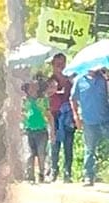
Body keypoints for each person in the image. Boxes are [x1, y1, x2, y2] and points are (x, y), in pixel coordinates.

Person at [71, 67, 109, 186]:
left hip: (105, 119)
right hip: (89, 121)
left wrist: (107, 79)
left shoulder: (103, 80)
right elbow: (73, 99)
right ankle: (88, 176)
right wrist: (76, 116)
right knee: (90, 149)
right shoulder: (79, 80)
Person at [48, 53, 75, 182]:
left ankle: (67, 172)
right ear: (53, 65)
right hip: (54, 115)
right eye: (58, 63)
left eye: (62, 63)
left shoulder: (70, 81)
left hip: (68, 116)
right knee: (55, 144)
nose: (60, 66)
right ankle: (54, 170)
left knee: (68, 145)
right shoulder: (49, 81)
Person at [22, 80, 50, 183]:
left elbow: (48, 115)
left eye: (35, 87)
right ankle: (30, 175)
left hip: (41, 130)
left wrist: (52, 131)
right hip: (28, 130)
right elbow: (22, 114)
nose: (32, 89)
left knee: (41, 154)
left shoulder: (43, 100)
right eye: (30, 87)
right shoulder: (25, 101)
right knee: (29, 154)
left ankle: (42, 173)